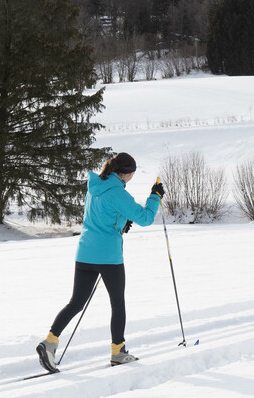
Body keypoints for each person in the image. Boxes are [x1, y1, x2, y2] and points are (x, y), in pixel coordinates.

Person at [36, 153, 165, 372]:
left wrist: (120, 223)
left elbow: (101, 216)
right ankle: (118, 352)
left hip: (85, 253)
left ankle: (49, 342)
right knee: (117, 303)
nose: (132, 176)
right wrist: (155, 197)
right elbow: (145, 218)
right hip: (108, 257)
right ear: (126, 173)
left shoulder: (94, 188)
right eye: (133, 173)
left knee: (76, 302)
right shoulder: (118, 192)